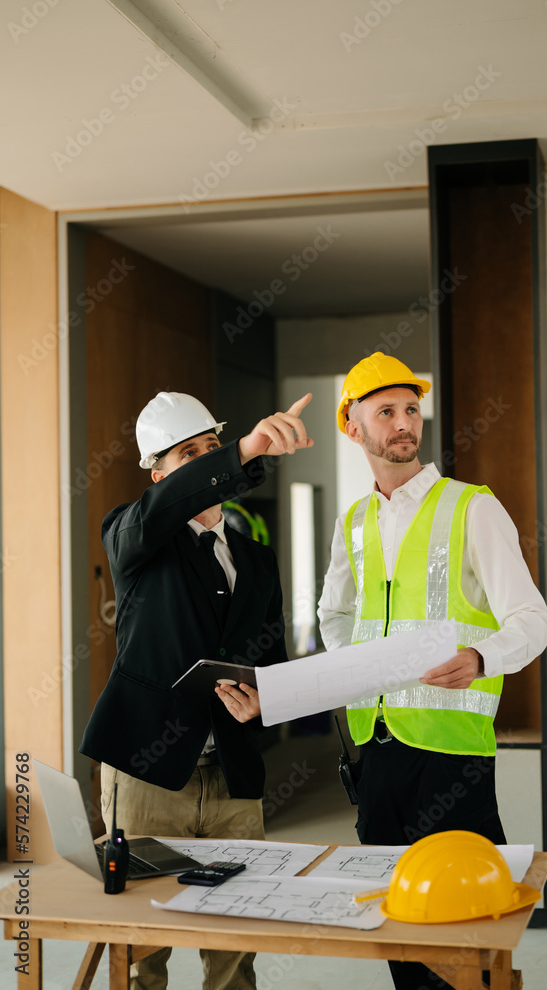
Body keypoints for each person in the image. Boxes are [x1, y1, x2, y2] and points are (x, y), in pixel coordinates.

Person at [317, 353, 547, 990]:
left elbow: (533, 619)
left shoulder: (471, 507)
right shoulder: (354, 522)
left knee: (468, 929)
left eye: (411, 410)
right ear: (352, 426)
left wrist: (481, 659)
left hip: (451, 755)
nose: (403, 424)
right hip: (376, 751)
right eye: (386, 411)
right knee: (398, 924)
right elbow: (334, 614)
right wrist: (354, 667)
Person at [80, 389, 312, 990]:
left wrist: (269, 698)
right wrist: (244, 450)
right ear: (157, 476)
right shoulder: (132, 538)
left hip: (232, 773)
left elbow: (273, 659)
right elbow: (164, 508)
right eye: (191, 455)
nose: (210, 463)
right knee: (141, 948)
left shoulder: (257, 561)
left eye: (214, 448)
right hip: (147, 773)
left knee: (237, 941)